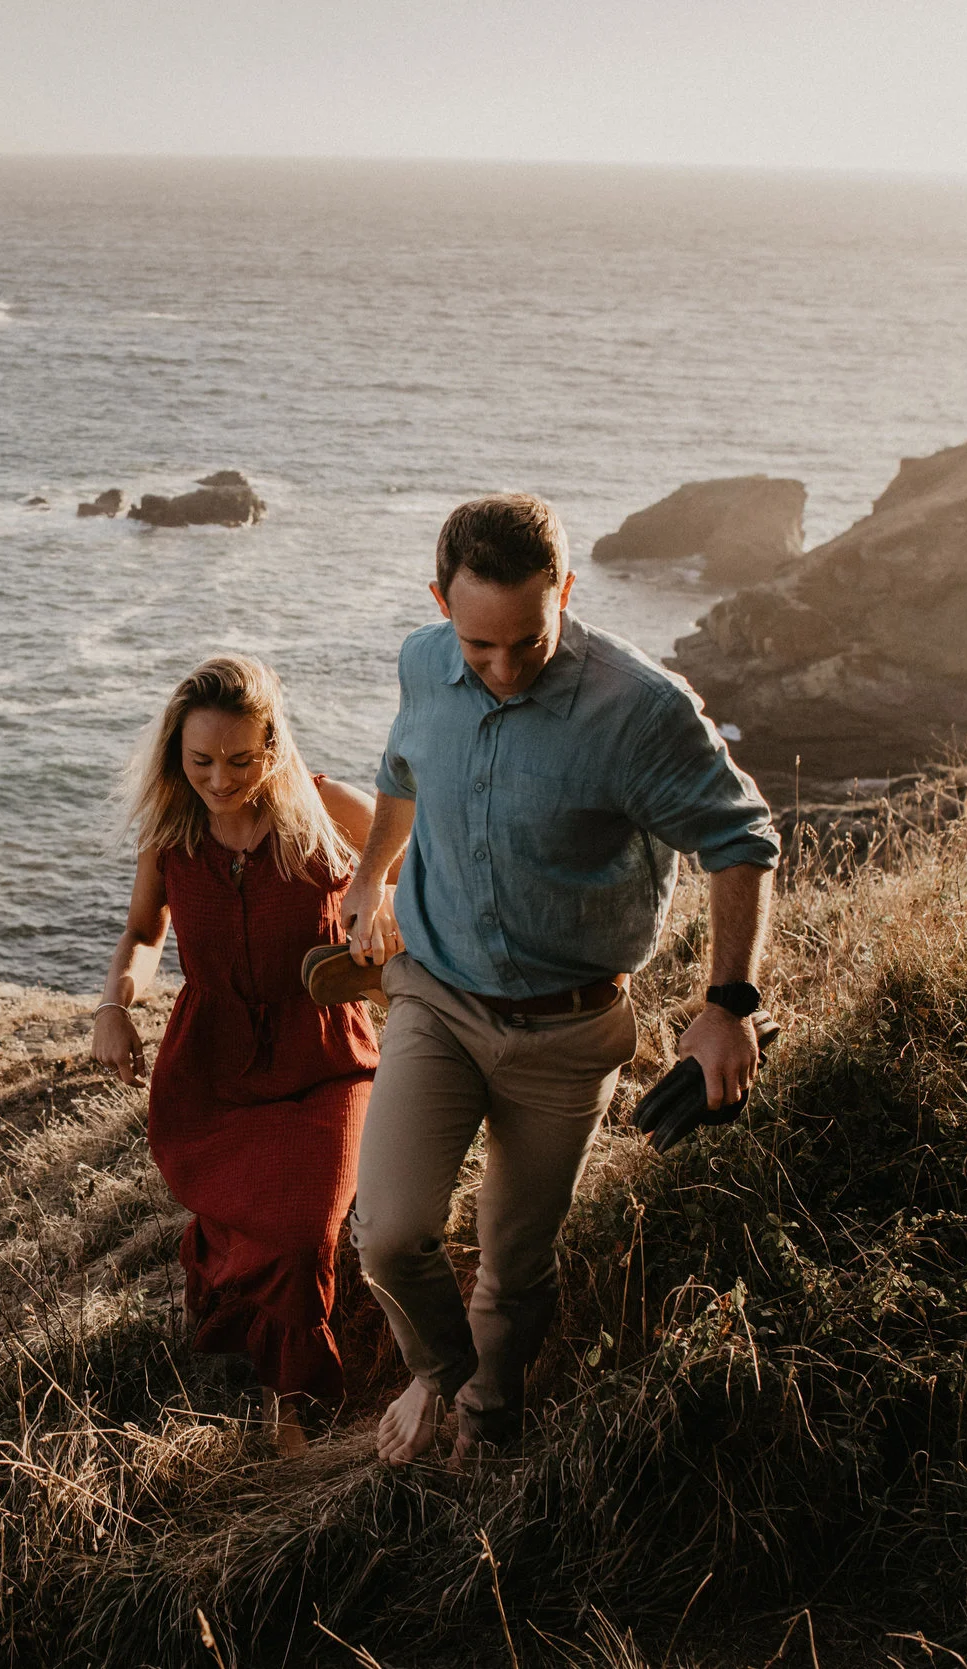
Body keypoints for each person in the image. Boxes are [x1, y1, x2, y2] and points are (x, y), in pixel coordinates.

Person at [333, 492, 779, 1467]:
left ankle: (490, 1418)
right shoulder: (421, 659)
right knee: (389, 1233)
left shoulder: (639, 709)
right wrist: (371, 875)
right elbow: (402, 767)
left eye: (523, 642)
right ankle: (437, 1375)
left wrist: (727, 1006)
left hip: (565, 1033)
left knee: (513, 1265)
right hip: (434, 998)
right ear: (437, 600)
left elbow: (740, 838)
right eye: (476, 645)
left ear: (566, 592)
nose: (496, 668)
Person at [93, 656, 383, 1456]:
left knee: (300, 1230)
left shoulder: (323, 807)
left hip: (325, 1058)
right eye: (201, 761)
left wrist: (383, 896)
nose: (220, 779)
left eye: (240, 760)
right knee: (258, 1228)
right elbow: (147, 932)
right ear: (175, 757)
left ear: (273, 747)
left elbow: (417, 844)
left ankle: (292, 1411)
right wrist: (116, 1004)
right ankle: (267, 1387)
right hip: (213, 1070)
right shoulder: (173, 833)